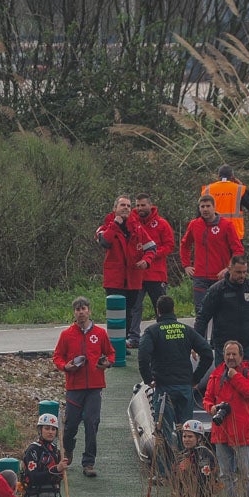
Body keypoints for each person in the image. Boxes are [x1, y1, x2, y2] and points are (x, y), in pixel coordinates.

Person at [138, 294, 213, 478]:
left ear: (157, 311)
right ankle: (186, 470)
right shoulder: (186, 330)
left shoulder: (153, 331)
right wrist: (195, 378)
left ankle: (164, 473)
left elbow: (143, 356)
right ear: (174, 310)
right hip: (185, 388)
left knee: (163, 432)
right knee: (186, 432)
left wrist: (148, 379)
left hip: (164, 389)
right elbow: (207, 354)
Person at [52, 296, 114, 477]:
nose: (81, 312)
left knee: (92, 423)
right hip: (74, 387)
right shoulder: (66, 334)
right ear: (74, 313)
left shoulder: (100, 333)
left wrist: (107, 363)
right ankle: (68, 450)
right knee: (71, 424)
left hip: (95, 386)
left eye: (84, 308)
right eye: (78, 309)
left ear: (89, 311)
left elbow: (110, 353)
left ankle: (88, 462)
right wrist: (66, 366)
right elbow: (57, 357)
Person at [203, 340, 249, 497]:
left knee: (248, 474)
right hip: (222, 432)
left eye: (234, 354)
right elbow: (207, 398)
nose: (230, 357)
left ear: (241, 356)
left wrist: (235, 376)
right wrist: (211, 408)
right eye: (228, 354)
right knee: (226, 474)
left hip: (243, 431)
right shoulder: (216, 374)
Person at [95, 194, 155, 348]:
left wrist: (146, 261)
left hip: (133, 279)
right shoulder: (105, 227)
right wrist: (115, 225)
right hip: (114, 279)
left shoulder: (137, 228)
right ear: (115, 209)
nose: (126, 208)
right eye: (123, 205)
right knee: (115, 315)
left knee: (128, 315)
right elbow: (105, 242)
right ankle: (114, 347)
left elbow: (151, 248)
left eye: (129, 206)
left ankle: (121, 344)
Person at [193, 255, 249, 369]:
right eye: (238, 272)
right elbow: (203, 317)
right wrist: (196, 343)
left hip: (247, 345)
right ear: (229, 269)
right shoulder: (217, 290)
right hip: (224, 346)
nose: (242, 276)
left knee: (247, 382)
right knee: (223, 382)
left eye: (245, 272)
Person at [180, 194, 244, 316]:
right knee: (201, 312)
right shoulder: (194, 224)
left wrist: (228, 269)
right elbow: (185, 245)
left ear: (214, 207)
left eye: (208, 206)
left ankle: (222, 336)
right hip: (200, 277)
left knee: (223, 313)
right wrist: (186, 265)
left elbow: (238, 250)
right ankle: (201, 336)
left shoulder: (226, 225)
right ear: (199, 208)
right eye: (202, 206)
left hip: (220, 277)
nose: (205, 209)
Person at [20, 413, 69, 497]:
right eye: (47, 428)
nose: (50, 432)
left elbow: (57, 477)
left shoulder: (56, 451)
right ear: (40, 430)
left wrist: (61, 470)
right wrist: (56, 469)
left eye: (53, 429)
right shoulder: (33, 451)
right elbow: (34, 476)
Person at [133, 193, 175, 320]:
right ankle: (133, 337)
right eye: (138, 205)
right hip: (137, 274)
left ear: (150, 205)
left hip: (156, 274)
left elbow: (169, 245)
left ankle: (164, 332)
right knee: (135, 307)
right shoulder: (132, 223)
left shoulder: (162, 224)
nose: (140, 208)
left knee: (161, 306)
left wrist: (151, 255)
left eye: (143, 205)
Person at [201, 164, 249, 240]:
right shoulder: (240, 189)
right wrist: (242, 187)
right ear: (232, 177)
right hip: (234, 234)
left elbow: (199, 214)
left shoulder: (207, 190)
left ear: (218, 176)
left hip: (213, 233)